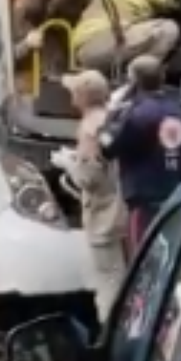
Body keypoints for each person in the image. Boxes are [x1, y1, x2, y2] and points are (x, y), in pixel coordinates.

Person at [100, 56, 181, 252]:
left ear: (133, 81)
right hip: (177, 200)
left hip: (145, 203)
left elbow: (107, 148)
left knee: (143, 258)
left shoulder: (136, 115)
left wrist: (110, 115)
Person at [51, 70, 128, 321]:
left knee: (109, 281)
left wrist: (67, 164)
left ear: (80, 97)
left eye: (73, 91)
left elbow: (88, 179)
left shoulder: (87, 129)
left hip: (105, 215)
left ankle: (110, 336)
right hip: (125, 209)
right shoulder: (115, 117)